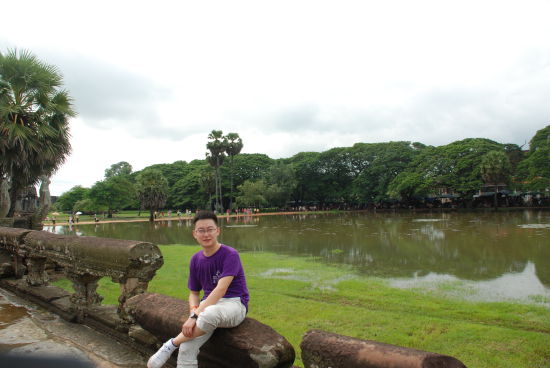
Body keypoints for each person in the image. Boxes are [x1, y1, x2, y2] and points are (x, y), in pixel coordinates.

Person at [147, 210, 249, 368]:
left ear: (218, 231)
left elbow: (221, 290)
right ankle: (178, 345)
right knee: (187, 347)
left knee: (209, 314)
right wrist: (194, 310)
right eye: (201, 230)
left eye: (210, 229)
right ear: (194, 234)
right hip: (208, 306)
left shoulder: (230, 254)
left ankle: (171, 344)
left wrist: (194, 317)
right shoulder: (196, 259)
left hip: (234, 304)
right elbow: (194, 293)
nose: (206, 234)